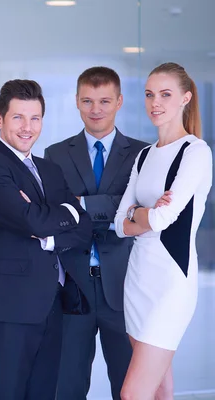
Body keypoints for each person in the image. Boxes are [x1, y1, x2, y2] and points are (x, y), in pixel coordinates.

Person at [0, 79, 93, 399]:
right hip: (8, 308)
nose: (27, 127)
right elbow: (29, 219)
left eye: (35, 118)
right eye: (18, 117)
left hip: (51, 304)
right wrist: (65, 212)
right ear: (0, 120)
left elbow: (83, 228)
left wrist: (54, 230)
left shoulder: (49, 170)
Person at [44, 66, 148, 400]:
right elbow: (59, 213)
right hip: (73, 285)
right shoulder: (56, 154)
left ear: (119, 101)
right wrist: (116, 209)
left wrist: (84, 204)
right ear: (76, 102)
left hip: (125, 284)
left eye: (104, 101)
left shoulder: (142, 154)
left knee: (129, 385)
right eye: (87, 101)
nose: (96, 109)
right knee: (66, 385)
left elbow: (141, 210)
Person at [114, 62, 213, 400]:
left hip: (171, 283)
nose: (155, 102)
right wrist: (145, 212)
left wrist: (137, 214)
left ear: (186, 98)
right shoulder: (143, 156)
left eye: (165, 94)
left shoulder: (196, 152)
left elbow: (162, 220)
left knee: (132, 393)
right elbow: (118, 224)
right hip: (138, 278)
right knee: (160, 388)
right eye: (149, 94)